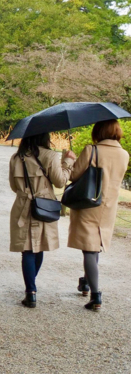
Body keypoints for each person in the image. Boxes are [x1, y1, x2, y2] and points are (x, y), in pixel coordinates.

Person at [68, 120, 130, 311]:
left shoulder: (91, 150)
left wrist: (69, 159)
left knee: (89, 249)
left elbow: (74, 175)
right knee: (95, 245)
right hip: (109, 206)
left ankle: (96, 295)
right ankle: (86, 282)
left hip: (89, 203)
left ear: (98, 131)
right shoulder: (124, 154)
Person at [9, 133, 75, 307]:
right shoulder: (50, 155)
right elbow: (60, 182)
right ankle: (31, 286)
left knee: (27, 249)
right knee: (39, 247)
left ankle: (30, 291)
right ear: (44, 137)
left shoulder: (16, 157)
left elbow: (13, 186)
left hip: (22, 205)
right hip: (43, 205)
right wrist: (68, 162)